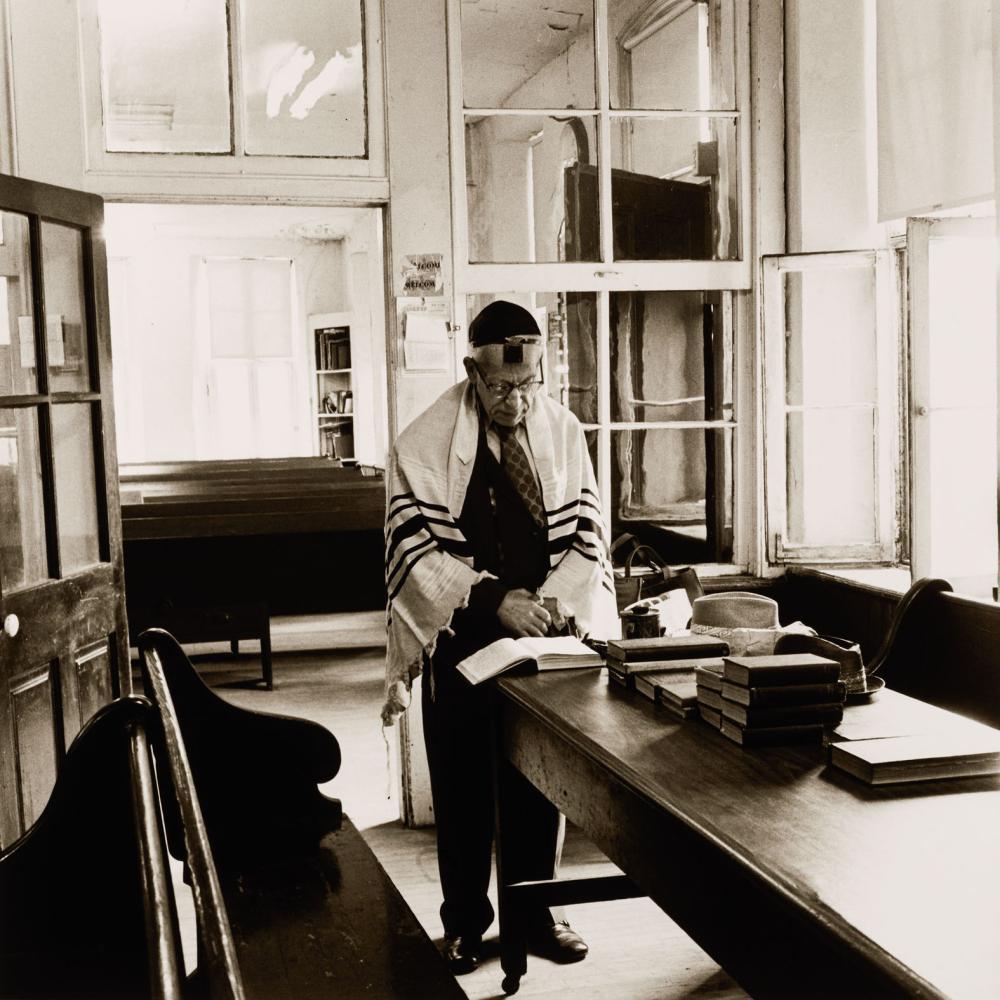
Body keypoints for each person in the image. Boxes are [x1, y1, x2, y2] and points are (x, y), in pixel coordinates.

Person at [381, 300, 619, 974]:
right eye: (501, 386)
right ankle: (463, 923)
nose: (517, 401)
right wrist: (492, 601)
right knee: (460, 784)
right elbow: (412, 550)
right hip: (462, 640)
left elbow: (589, 537)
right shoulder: (423, 443)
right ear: (471, 372)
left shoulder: (564, 432)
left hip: (541, 640)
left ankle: (538, 913)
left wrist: (544, 605)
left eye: (530, 383)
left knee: (541, 781)